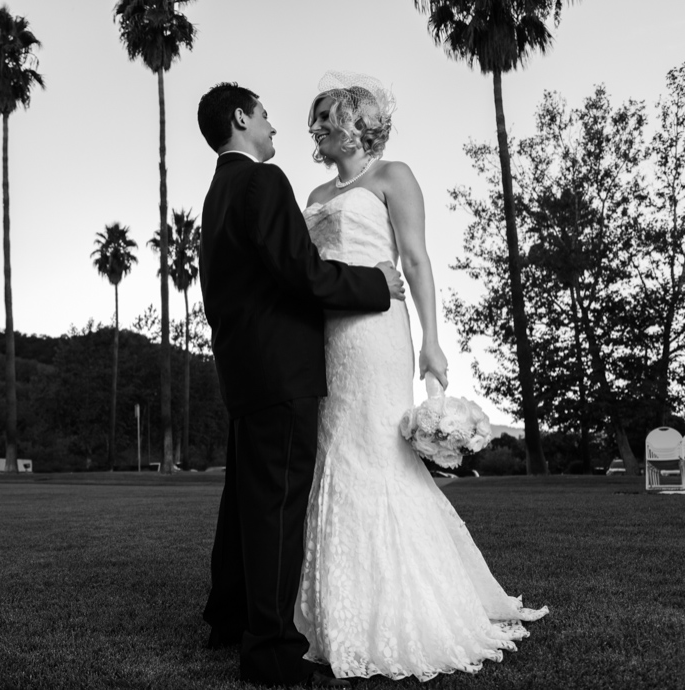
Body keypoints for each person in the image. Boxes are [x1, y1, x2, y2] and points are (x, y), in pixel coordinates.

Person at [294, 70, 548, 682]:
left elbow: (415, 258)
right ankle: (333, 608)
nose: (319, 127)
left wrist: (433, 340)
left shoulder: (393, 177)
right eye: (317, 119)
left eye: (330, 116)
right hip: (326, 335)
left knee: (378, 450)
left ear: (359, 122)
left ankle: (411, 606)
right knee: (337, 452)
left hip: (378, 333)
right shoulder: (315, 194)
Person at [196, 82, 406, 688]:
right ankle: (271, 652)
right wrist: (375, 287)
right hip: (281, 367)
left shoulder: (218, 191)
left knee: (243, 506)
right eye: (263, 114)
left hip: (243, 366)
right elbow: (298, 270)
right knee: (276, 511)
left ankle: (228, 618)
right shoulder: (263, 181)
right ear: (242, 118)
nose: (273, 126)